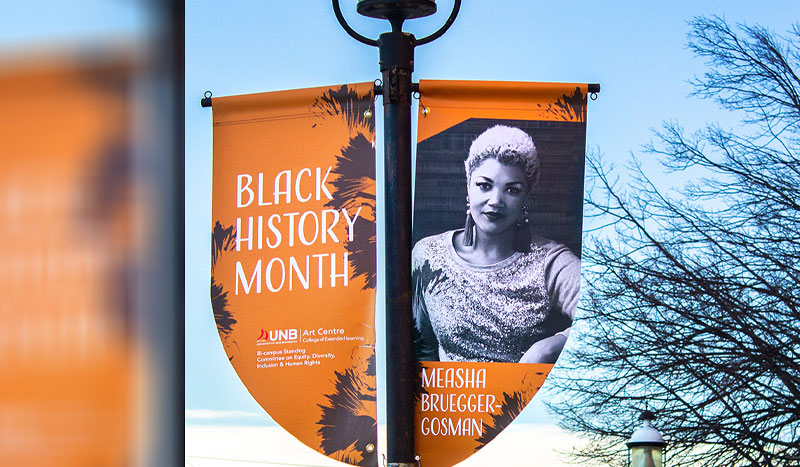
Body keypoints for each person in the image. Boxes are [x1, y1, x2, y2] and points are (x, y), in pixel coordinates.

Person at [412, 125, 580, 363]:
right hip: (450, 399)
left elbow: (613, 316)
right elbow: (418, 345)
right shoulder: (427, 254)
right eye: (484, 185)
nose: (496, 201)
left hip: (526, 399)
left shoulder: (550, 261)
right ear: (468, 187)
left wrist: (553, 346)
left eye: (512, 190)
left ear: (525, 198)